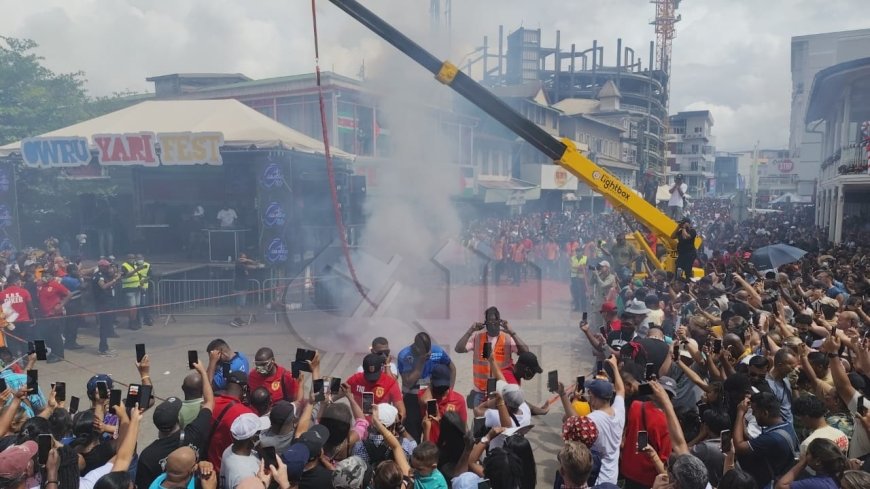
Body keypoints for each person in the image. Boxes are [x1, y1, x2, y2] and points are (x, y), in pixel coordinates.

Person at [136, 361, 215, 488]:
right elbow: (209, 402)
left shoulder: (147, 456)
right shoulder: (194, 433)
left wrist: (144, 374)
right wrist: (203, 373)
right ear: (178, 418)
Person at [453, 306, 528, 408]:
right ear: (485, 323)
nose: (492, 324)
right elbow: (458, 349)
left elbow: (525, 352)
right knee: (480, 422)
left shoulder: (507, 338)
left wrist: (512, 332)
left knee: (501, 422)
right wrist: (470, 330)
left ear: (499, 321)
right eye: (489, 321)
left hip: (501, 391)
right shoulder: (477, 338)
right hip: (480, 392)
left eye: (494, 321)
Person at [733, 392, 799, 488]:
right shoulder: (786, 425)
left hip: (768, 483)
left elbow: (739, 446)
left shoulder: (772, 438)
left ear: (765, 413)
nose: (753, 414)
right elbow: (751, 439)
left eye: (755, 411)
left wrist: (740, 413)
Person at [397, 332, 455, 441]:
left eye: (429, 351)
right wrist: (421, 361)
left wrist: (449, 391)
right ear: (416, 347)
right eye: (425, 352)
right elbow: (408, 382)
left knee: (433, 431)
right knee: (413, 435)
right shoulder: (405, 355)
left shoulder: (437, 351)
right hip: (411, 398)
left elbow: (452, 368)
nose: (428, 354)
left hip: (430, 396)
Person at [620, 376, 675, 489]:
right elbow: (664, 460)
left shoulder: (635, 406)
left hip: (628, 468)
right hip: (648, 478)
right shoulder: (669, 424)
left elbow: (627, 433)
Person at [585, 355, 626, 486]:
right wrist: (614, 366)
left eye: (590, 394)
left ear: (593, 396)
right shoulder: (619, 410)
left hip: (597, 479)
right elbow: (621, 390)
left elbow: (572, 422)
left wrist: (564, 396)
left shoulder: (592, 419)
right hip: (612, 477)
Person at [208, 371, 256, 474]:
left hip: (208, 465)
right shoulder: (245, 414)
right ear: (244, 389)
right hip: (229, 467)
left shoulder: (210, 403)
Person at [418, 364, 466, 444]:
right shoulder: (425, 395)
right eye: (438, 385)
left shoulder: (458, 399)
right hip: (430, 447)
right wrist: (430, 386)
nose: (441, 389)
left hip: (449, 446)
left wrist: (440, 419)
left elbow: (463, 427)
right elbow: (424, 401)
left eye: (444, 386)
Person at [347, 353, 405, 418]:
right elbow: (336, 393)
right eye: (369, 375)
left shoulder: (390, 383)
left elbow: (401, 412)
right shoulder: (355, 379)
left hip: (383, 425)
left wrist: (396, 426)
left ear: (381, 368)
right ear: (363, 368)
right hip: (362, 426)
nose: (372, 380)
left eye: (375, 375)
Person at [35, 270, 70, 363]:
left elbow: (69, 294)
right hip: (45, 315)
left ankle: (59, 355)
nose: (44, 277)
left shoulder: (55, 285)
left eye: (46, 275)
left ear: (51, 276)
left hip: (55, 315)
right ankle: (53, 353)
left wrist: (61, 305)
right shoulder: (42, 286)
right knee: (49, 335)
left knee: (55, 336)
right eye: (43, 275)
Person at [221, 413, 265, 488]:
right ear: (253, 439)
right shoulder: (245, 475)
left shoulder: (230, 448)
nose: (261, 435)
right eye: (259, 433)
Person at [0, 273, 35, 355]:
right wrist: (33, 318)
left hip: (9, 323)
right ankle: (27, 360)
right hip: (24, 322)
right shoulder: (24, 292)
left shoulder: (2, 294)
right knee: (26, 341)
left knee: (12, 343)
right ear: (16, 282)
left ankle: (16, 362)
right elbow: (30, 306)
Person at [92, 259, 120, 357]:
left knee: (107, 325)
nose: (109, 268)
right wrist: (114, 280)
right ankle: (102, 349)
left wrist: (114, 277)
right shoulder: (98, 276)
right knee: (104, 327)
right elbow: (103, 286)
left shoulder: (105, 275)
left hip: (107, 303)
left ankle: (105, 347)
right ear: (101, 267)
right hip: (102, 304)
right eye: (107, 266)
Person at [59, 264, 84, 350]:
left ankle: (70, 342)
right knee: (72, 324)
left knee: (72, 324)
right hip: (72, 303)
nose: (77, 272)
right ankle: (71, 343)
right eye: (76, 270)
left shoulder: (66, 279)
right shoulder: (69, 280)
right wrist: (79, 278)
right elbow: (83, 287)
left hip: (73, 303)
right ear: (72, 271)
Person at [232, 254, 259, 328]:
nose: (243, 259)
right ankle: (236, 320)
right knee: (239, 304)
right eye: (242, 257)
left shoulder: (243, 264)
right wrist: (248, 261)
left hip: (243, 287)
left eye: (245, 257)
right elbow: (254, 266)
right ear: (239, 258)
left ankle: (238, 319)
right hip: (240, 288)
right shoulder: (239, 265)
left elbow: (256, 264)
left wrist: (247, 260)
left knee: (241, 304)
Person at [120, 254, 143, 330]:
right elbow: (125, 276)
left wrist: (141, 284)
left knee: (136, 307)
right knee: (132, 308)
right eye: (130, 258)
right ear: (126, 258)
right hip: (129, 289)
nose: (132, 259)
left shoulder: (135, 265)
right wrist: (135, 270)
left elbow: (137, 276)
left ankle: (136, 322)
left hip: (136, 288)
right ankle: (132, 323)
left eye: (133, 258)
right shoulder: (124, 266)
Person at [671, 218, 697, 283]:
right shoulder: (681, 231)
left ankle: (689, 284)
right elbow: (672, 236)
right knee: (678, 268)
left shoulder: (692, 231)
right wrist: (678, 227)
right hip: (682, 254)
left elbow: (686, 237)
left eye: (684, 223)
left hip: (689, 254)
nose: (682, 224)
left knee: (687, 270)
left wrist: (684, 228)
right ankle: (677, 282)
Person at [136, 254, 154, 327]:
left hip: (144, 287)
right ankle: (139, 321)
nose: (139, 259)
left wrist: (143, 281)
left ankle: (147, 319)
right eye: (138, 258)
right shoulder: (134, 265)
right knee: (138, 305)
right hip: (136, 286)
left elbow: (150, 275)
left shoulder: (148, 265)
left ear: (143, 258)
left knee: (144, 304)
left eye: (140, 258)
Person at [570, 247, 588, 312]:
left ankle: (584, 307)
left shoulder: (585, 258)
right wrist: (580, 267)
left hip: (582, 279)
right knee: (576, 293)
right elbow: (572, 266)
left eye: (579, 251)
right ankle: (577, 307)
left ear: (582, 252)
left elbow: (587, 268)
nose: (578, 253)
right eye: (577, 251)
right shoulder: (572, 258)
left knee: (583, 293)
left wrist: (583, 267)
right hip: (574, 278)